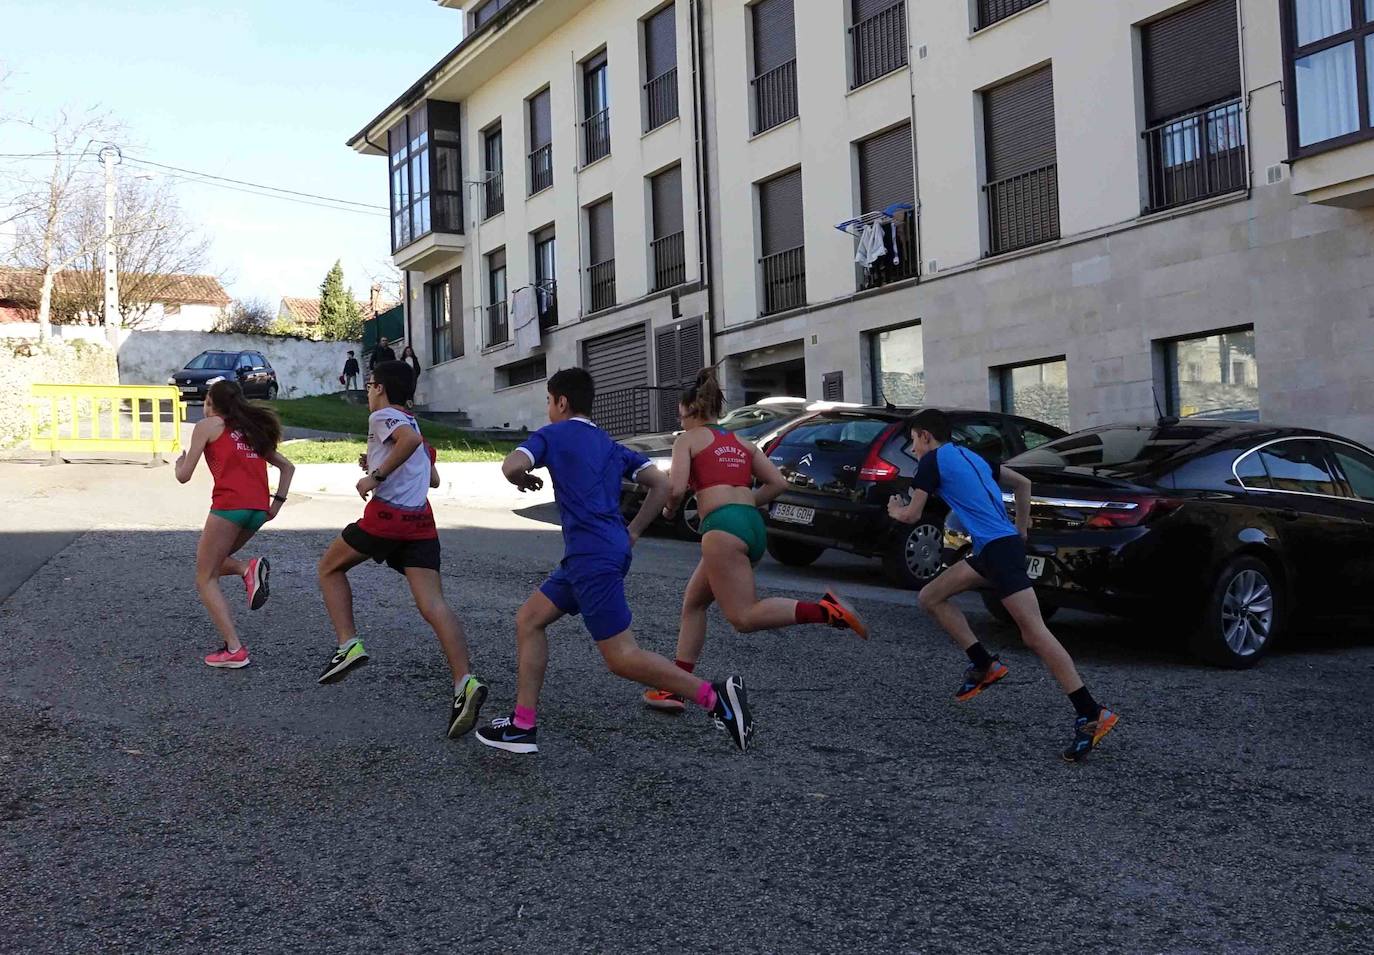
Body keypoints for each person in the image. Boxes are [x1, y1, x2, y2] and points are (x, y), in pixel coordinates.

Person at [475, 367, 755, 755]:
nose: (548, 408)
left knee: (622, 658)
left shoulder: (551, 435)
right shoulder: (608, 444)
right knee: (529, 619)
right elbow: (658, 482)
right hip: (597, 553)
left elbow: (510, 465)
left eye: (547, 400)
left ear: (560, 402)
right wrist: (635, 530)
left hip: (591, 557)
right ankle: (523, 725)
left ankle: (715, 698)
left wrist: (522, 479)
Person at [886, 408, 1119, 762]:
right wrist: (1022, 529)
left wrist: (895, 509)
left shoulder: (932, 461)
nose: (914, 450)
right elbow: (1022, 484)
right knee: (931, 596)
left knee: (1034, 633)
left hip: (997, 551)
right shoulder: (971, 455)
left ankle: (1091, 713)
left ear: (925, 436)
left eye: (914, 442)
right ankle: (984, 665)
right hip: (993, 549)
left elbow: (912, 515)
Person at [642, 369, 868, 713]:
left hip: (722, 529)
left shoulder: (687, 440)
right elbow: (777, 483)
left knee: (743, 617)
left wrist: (671, 510)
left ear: (690, 411)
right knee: (694, 602)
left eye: (680, 413)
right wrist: (742, 503)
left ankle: (825, 611)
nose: (679, 419)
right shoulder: (743, 444)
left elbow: (675, 488)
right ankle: (675, 684)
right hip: (751, 525)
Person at [315, 360, 488, 740]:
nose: (368, 392)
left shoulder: (386, 416)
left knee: (329, 568)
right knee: (434, 605)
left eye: (370, 385)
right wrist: (379, 461)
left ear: (380, 388)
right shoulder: (413, 423)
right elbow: (432, 477)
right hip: (420, 523)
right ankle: (465, 683)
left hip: (387, 519)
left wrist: (374, 475)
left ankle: (348, 644)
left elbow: (405, 444)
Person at [175, 378, 295, 669]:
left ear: (211, 403)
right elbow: (287, 466)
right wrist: (276, 504)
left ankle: (235, 649)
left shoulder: (207, 426)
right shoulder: (250, 430)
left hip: (230, 507)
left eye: (206, 402)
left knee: (205, 577)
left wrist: (179, 463)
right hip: (257, 510)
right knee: (213, 564)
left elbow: (184, 475)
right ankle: (246, 569)